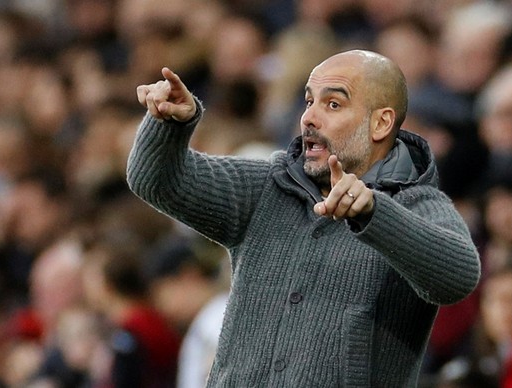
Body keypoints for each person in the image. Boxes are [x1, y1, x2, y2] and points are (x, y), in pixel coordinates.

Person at [127, 49, 481, 387]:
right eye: (309, 100)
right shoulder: (267, 186)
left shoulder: (417, 204)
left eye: (333, 104)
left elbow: (459, 276)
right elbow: (156, 181)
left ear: (381, 123)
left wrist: (375, 213)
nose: (309, 116)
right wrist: (169, 126)